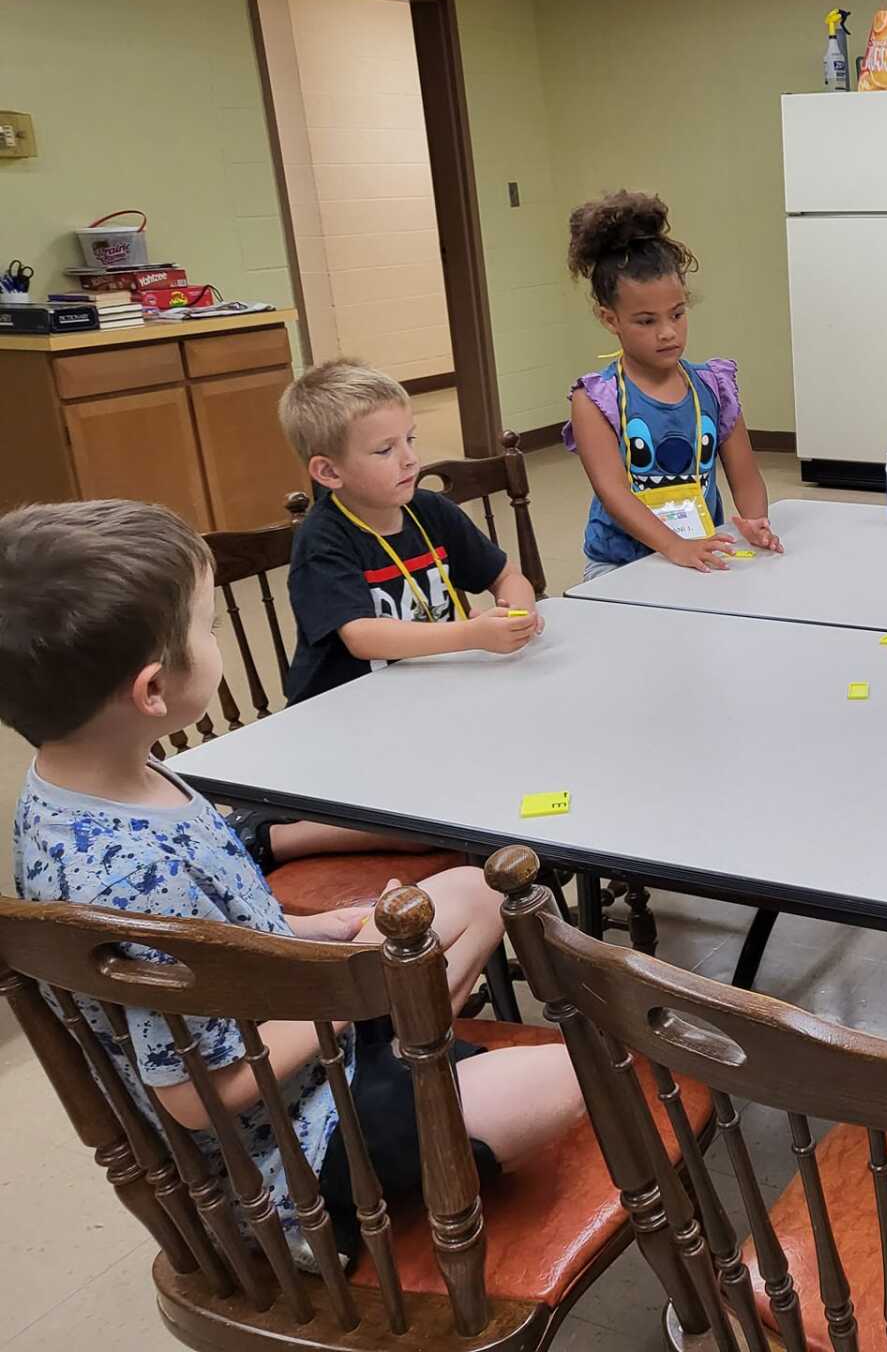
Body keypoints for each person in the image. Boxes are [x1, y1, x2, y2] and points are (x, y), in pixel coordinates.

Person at [1, 499, 585, 1267]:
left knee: (475, 891)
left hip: (296, 1021)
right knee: (583, 1072)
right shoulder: (127, 875)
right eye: (207, 629)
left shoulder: (90, 781)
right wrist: (349, 1004)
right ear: (151, 691)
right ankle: (311, 1214)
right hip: (292, 1136)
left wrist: (309, 935)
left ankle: (407, 1043)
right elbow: (193, 1096)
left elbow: (207, 947)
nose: (214, 642)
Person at [280, 359, 542, 705]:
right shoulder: (323, 538)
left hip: (427, 689)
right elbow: (362, 636)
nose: (410, 459)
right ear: (328, 471)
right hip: (345, 708)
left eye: (410, 439)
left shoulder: (429, 509)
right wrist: (470, 634)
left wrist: (518, 614)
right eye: (385, 449)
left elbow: (507, 576)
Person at [563, 190, 781, 577]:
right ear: (609, 319)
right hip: (619, 564)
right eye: (647, 321)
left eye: (677, 315)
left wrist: (755, 522)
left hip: (697, 553)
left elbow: (745, 477)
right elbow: (613, 492)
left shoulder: (714, 386)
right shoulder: (597, 399)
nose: (668, 333)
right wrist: (673, 546)